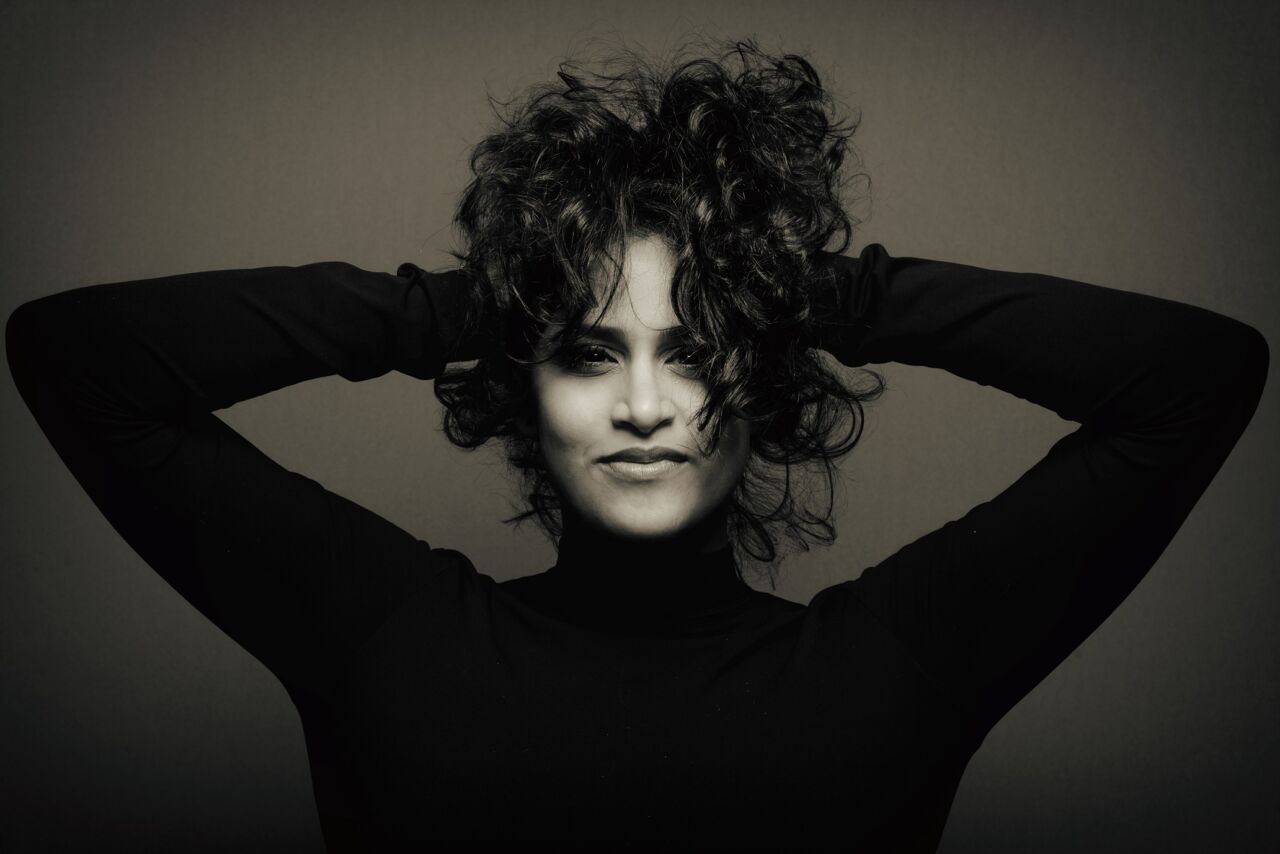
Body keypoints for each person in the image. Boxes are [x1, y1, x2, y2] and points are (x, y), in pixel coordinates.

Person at [5, 39, 1269, 853]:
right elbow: (79, 359)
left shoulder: (902, 652)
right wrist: (472, 303)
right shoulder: (380, 625)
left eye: (699, 350)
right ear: (525, 383)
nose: (647, 404)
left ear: (761, 379)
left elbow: (1193, 377)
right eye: (588, 352)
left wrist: (804, 290)